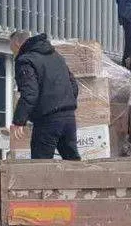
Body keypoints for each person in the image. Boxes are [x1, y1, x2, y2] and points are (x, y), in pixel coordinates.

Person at [8, 30, 80, 161]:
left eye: (11, 48)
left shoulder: (25, 61)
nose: (13, 52)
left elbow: (30, 93)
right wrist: (65, 105)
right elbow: (73, 86)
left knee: (40, 164)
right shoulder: (57, 57)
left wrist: (19, 121)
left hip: (47, 120)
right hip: (69, 118)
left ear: (17, 44)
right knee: (73, 161)